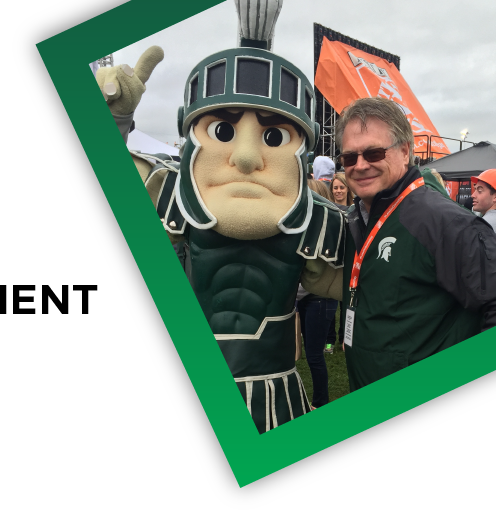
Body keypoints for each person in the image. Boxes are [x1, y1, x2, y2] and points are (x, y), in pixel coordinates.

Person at [99, 0, 345, 433]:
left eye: (273, 135)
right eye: (223, 131)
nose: (247, 156)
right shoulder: (169, 190)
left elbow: (381, 284)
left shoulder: (319, 221)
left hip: (276, 393)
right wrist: (115, 122)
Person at [336, 97, 496, 391]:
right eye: (349, 157)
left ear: (405, 151)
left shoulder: (446, 222)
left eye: (373, 153)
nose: (359, 165)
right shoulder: (358, 217)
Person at [297, 180, 339, 407]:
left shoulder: (327, 227)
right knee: (299, 353)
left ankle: (320, 404)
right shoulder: (304, 225)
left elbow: (317, 272)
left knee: (314, 355)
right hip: (305, 297)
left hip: (320, 298)